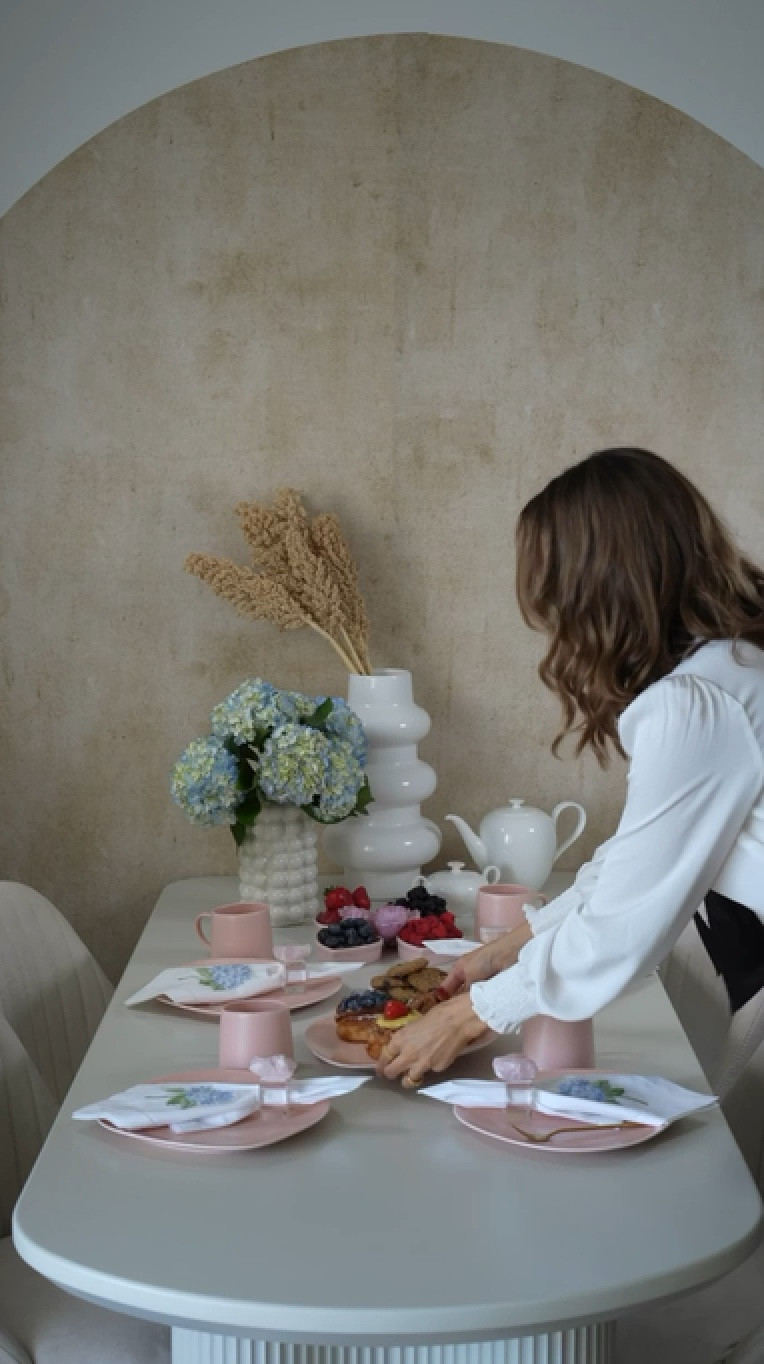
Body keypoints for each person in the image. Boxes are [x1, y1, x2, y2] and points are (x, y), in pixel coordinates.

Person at [379, 448, 764, 1088]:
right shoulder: (733, 661)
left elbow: (623, 926)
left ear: (596, 584)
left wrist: (470, 1018)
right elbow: (639, 855)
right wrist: (513, 945)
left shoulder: (697, 705)